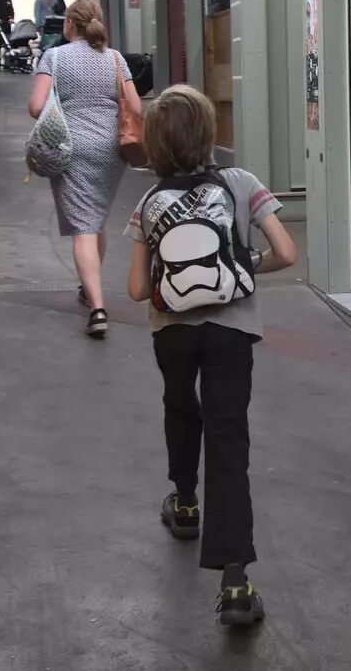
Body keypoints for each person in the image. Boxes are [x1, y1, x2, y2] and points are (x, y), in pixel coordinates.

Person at [125, 85, 296, 628]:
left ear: (154, 146)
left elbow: (133, 289)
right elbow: (287, 253)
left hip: (171, 332)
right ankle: (237, 584)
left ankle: (185, 503)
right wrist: (243, 269)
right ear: (209, 136)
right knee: (228, 439)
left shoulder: (147, 203)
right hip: (232, 332)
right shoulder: (241, 183)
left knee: (180, 407)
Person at [26, 0, 142, 337]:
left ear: (69, 26)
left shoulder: (55, 57)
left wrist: (59, 105)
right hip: (110, 150)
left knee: (83, 228)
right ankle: (87, 289)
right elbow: (135, 106)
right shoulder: (116, 59)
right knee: (95, 220)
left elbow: (36, 107)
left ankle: (98, 307)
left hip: (70, 149)